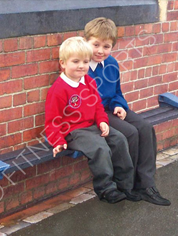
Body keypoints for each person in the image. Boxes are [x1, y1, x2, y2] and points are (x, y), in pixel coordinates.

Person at [85, 17, 171, 206]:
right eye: (96, 44)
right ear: (86, 42)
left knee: (146, 127)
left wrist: (119, 105)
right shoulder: (82, 68)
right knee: (130, 132)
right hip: (95, 113)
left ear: (112, 47)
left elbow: (117, 91)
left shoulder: (112, 64)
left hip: (112, 108)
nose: (100, 51)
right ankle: (127, 185)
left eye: (106, 46)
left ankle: (146, 184)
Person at [45, 36, 140, 204]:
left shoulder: (88, 81)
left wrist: (102, 121)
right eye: (75, 62)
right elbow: (52, 121)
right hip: (74, 132)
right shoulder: (58, 89)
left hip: (93, 126)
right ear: (63, 63)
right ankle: (106, 189)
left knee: (119, 139)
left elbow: (97, 106)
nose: (81, 66)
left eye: (85, 62)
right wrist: (57, 140)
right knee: (100, 148)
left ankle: (125, 185)